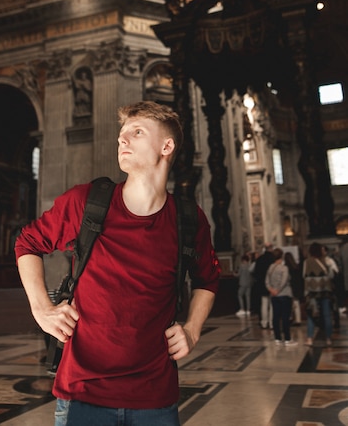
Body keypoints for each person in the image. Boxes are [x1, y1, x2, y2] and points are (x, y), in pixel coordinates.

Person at [15, 100, 220, 426]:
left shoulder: (188, 219)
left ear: (166, 146)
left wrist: (193, 331)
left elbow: (207, 280)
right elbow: (27, 243)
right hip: (83, 392)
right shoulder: (86, 202)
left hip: (155, 397)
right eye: (121, 134)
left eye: (137, 133)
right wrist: (41, 308)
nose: (122, 140)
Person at [303, 242, 334, 347]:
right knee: (327, 315)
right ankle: (329, 338)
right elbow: (331, 274)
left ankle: (310, 338)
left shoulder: (307, 262)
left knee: (311, 315)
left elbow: (304, 275)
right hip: (325, 292)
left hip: (312, 293)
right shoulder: (326, 261)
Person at [265, 248, 297, 345]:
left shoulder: (270, 267)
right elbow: (284, 281)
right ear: (281, 256)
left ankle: (277, 338)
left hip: (274, 295)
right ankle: (287, 338)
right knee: (285, 317)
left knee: (276, 316)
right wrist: (278, 290)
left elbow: (266, 281)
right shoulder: (284, 268)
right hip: (284, 294)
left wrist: (271, 289)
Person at [253, 243, 274, 328]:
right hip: (272, 284)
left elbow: (256, 272)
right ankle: (272, 323)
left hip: (261, 284)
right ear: (271, 248)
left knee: (264, 304)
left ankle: (264, 322)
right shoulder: (273, 258)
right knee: (272, 305)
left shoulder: (260, 259)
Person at [284, 251, 303, 326]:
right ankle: (298, 319)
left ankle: (290, 317)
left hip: (289, 287)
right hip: (296, 287)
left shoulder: (286, 267)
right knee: (296, 304)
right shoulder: (296, 267)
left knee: (289, 304)